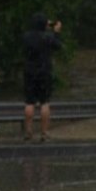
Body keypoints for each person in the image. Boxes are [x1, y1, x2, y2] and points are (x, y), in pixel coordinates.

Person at [23, 13, 63, 142]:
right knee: (44, 102)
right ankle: (44, 132)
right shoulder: (48, 37)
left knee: (29, 102)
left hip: (29, 71)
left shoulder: (26, 37)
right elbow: (58, 46)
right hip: (44, 71)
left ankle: (28, 131)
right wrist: (56, 32)